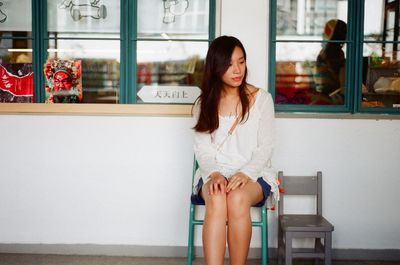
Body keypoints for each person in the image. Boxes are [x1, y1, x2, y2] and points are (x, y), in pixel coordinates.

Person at [191, 35, 279, 265]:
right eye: (229, 64)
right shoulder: (204, 103)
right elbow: (203, 151)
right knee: (217, 196)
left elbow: (265, 147)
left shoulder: (262, 99)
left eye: (241, 61)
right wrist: (215, 174)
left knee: (238, 198)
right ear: (216, 67)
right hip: (215, 172)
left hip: (254, 174)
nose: (237, 69)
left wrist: (247, 173)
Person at [314, 19, 347, 104]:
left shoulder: (324, 52)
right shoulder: (336, 53)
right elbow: (341, 78)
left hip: (323, 94)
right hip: (330, 96)